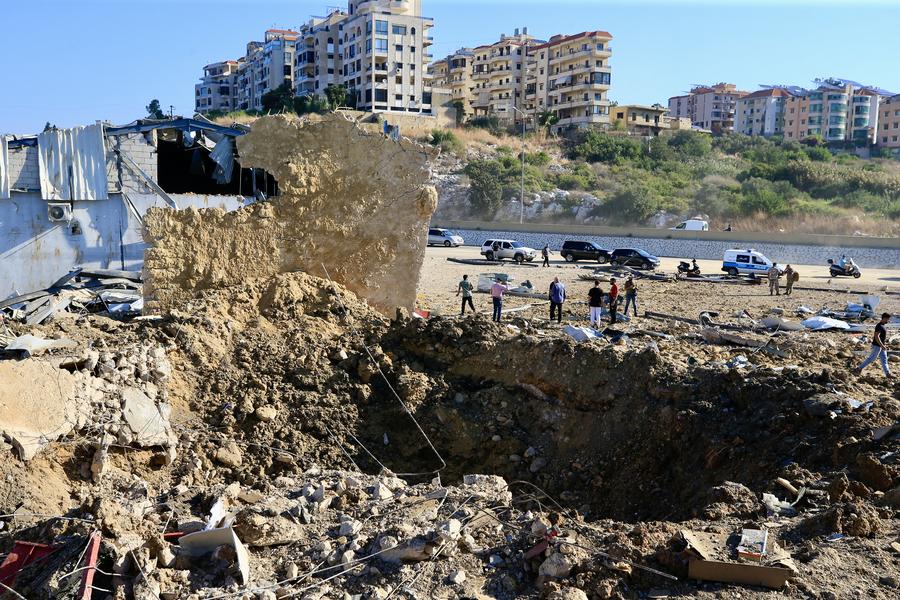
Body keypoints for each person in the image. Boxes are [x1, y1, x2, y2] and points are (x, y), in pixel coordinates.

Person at [854, 313, 893, 378]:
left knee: (884, 360)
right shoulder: (879, 326)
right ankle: (858, 369)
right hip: (877, 346)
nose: (888, 321)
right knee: (871, 358)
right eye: (887, 319)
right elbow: (876, 336)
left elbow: (881, 337)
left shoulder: (882, 326)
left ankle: (888, 374)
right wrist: (882, 345)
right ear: (884, 318)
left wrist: (884, 345)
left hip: (881, 346)